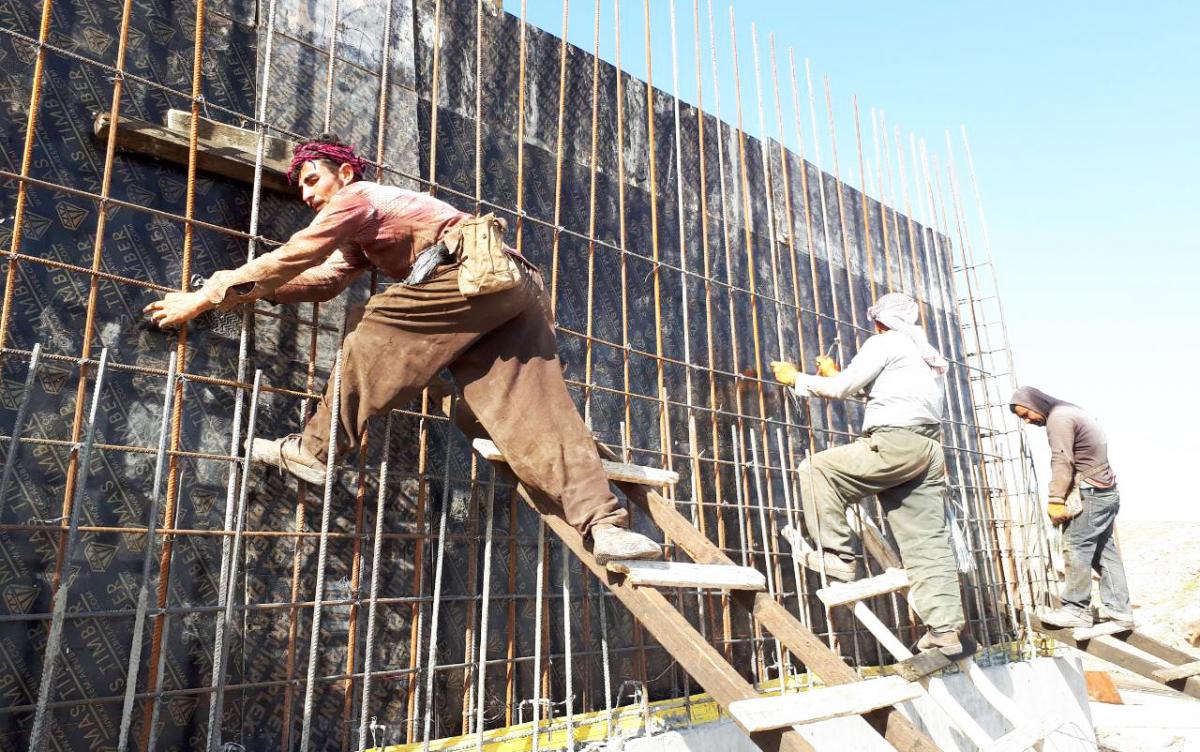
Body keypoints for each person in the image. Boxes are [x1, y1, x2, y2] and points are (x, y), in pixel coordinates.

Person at [143, 134, 661, 564]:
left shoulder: (359, 197)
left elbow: (295, 254)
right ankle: (605, 525)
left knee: (375, 329)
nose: (305, 193)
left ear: (344, 173)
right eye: (299, 186)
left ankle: (316, 450)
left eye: (312, 178)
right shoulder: (364, 229)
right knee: (533, 411)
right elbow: (322, 280)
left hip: (472, 274)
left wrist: (209, 294)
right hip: (508, 288)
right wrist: (245, 292)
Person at [770, 292, 967, 655]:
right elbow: (889, 396)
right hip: (927, 450)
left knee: (816, 469)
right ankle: (945, 631)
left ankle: (839, 558)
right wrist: (839, 377)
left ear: (879, 320)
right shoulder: (923, 355)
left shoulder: (885, 341)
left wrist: (796, 377)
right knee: (928, 543)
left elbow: (841, 389)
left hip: (894, 443)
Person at [1010, 387, 1133, 629]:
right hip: (1105, 492)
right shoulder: (1072, 411)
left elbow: (1062, 458)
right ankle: (1120, 611)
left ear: (1034, 403)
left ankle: (1076, 610)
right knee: (1104, 553)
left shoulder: (1059, 418)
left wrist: (1055, 498)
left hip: (1091, 493)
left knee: (1075, 546)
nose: (1027, 421)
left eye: (1026, 414)